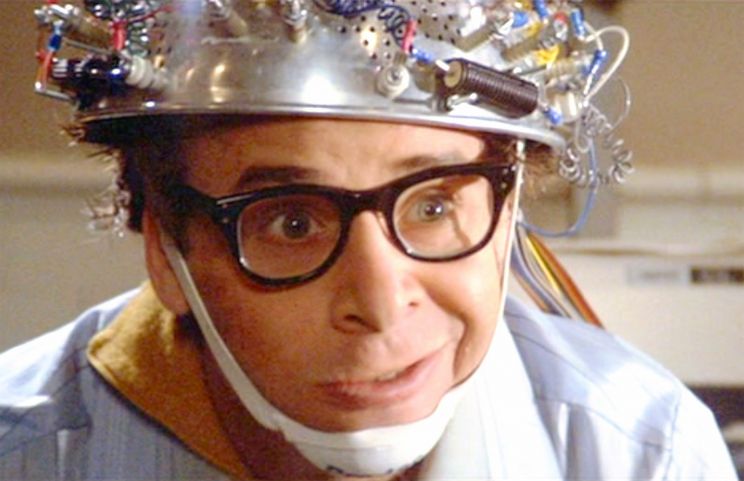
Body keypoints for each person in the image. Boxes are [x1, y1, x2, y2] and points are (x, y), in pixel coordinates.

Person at [0, 1, 737, 480]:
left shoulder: (644, 452)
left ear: (507, 209)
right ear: (168, 252)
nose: (379, 305)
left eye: (433, 205)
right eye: (291, 222)